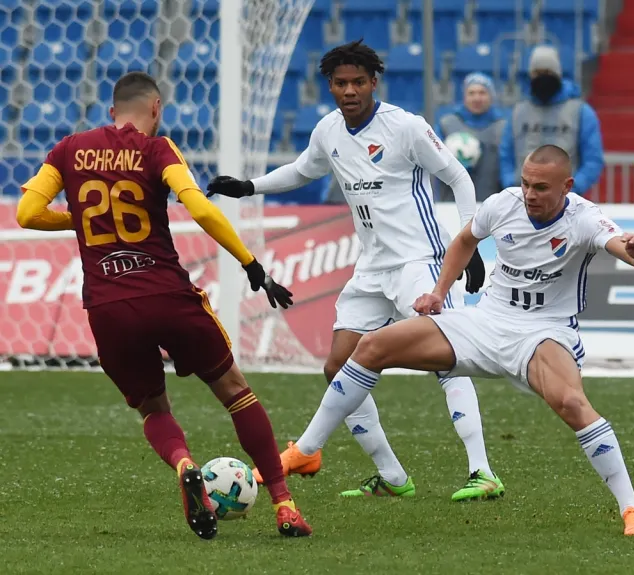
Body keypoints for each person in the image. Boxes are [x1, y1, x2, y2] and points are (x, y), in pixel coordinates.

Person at [15, 71, 313, 538]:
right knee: (235, 392)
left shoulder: (69, 149)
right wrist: (251, 263)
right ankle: (284, 504)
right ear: (156, 108)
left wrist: (87, 222)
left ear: (112, 111)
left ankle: (184, 463)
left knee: (154, 409)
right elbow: (200, 209)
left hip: (109, 306)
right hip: (167, 294)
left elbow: (26, 214)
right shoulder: (157, 149)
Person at [206, 40, 503, 501]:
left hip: (420, 261)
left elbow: (457, 176)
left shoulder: (406, 127)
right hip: (371, 267)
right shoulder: (328, 130)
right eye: (341, 83)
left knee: (449, 359)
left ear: (373, 83)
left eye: (358, 82)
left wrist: (470, 240)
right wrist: (249, 186)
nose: (349, 91)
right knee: (338, 365)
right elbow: (302, 171)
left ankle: (482, 471)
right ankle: (392, 476)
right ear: (329, 85)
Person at [314, 145, 634, 536]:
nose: (530, 194)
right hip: (487, 320)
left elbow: (631, 255)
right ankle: (307, 450)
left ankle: (632, 509)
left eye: (541, 188)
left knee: (571, 403)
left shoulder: (584, 218)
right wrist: (439, 292)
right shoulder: (503, 203)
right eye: (525, 184)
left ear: (567, 186)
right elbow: (464, 240)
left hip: (544, 331)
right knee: (373, 346)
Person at [499, 45, 604, 196]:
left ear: (558, 74)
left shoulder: (581, 112)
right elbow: (505, 155)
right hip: (522, 198)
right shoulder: (517, 112)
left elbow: (593, 159)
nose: (542, 77)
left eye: (548, 72)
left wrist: (573, 188)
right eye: (537, 73)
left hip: (566, 199)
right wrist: (511, 184)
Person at [434, 72, 506, 200]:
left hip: (491, 200)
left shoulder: (502, 127)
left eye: (482, 93)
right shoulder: (447, 124)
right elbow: (434, 161)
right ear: (464, 96)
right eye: (471, 93)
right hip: (452, 202)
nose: (477, 98)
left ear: (491, 96)